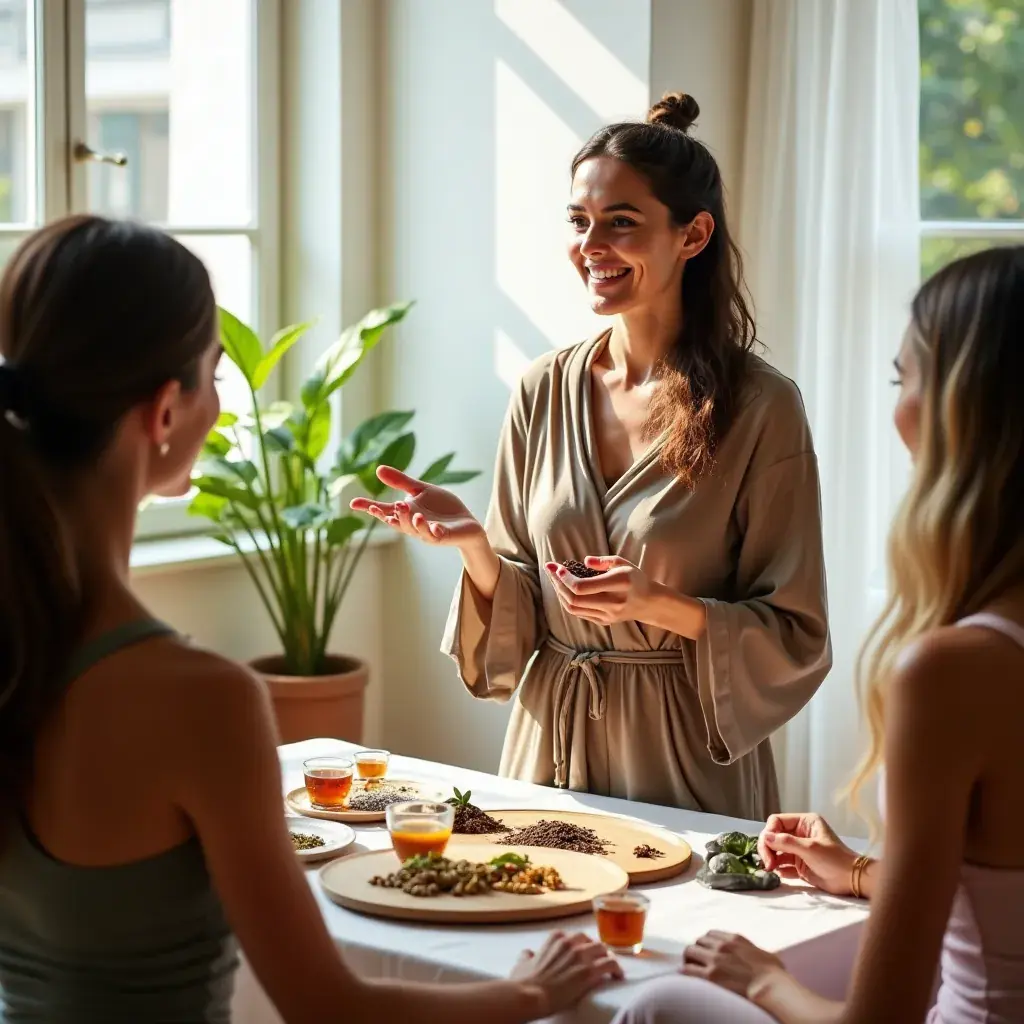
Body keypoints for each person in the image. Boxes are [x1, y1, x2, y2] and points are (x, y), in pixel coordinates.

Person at [0, 215, 621, 1023]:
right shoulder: (197, 697)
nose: (222, 403)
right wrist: (534, 991)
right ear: (162, 413)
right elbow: (329, 1007)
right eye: (215, 373)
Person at [351, 93, 831, 820]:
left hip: (683, 755)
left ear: (693, 235)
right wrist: (475, 548)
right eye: (579, 221)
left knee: (673, 932)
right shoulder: (543, 388)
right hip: (549, 748)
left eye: (621, 223)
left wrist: (655, 605)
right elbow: (519, 616)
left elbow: (796, 632)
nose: (590, 245)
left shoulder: (761, 407)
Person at [612, 246, 1024, 1023]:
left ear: (968, 410)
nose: (897, 412)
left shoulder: (956, 670)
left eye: (906, 381)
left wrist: (759, 977)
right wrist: (869, 873)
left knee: (660, 999)